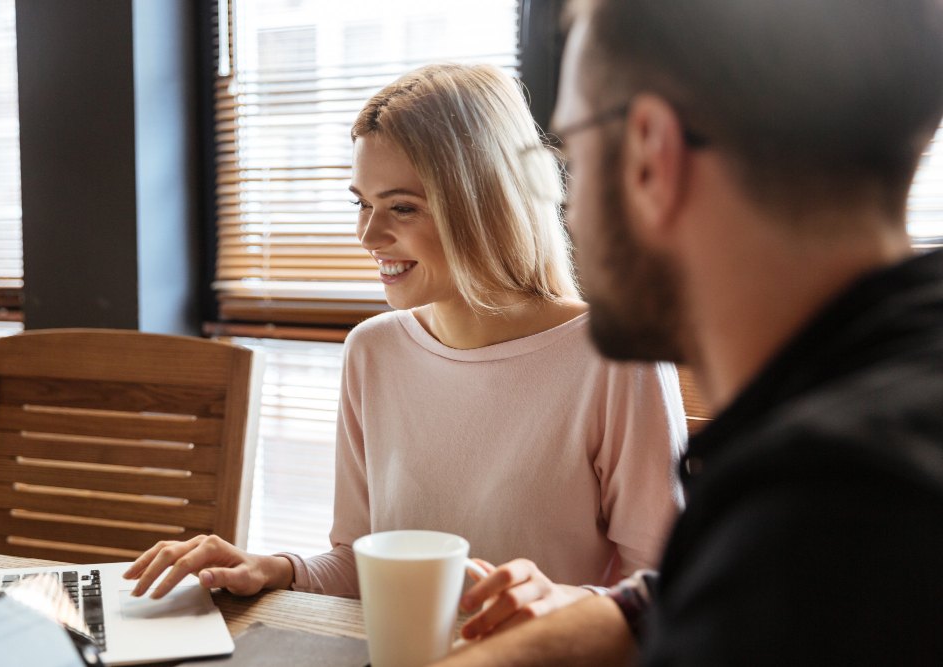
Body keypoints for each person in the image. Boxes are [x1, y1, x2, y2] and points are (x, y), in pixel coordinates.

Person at [432, 0, 943, 665]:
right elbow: (661, 599)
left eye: (571, 159)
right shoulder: (887, 388)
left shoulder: (832, 514)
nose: (567, 209)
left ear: (650, 155)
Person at [124, 63, 687, 635]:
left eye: (402, 207)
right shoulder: (373, 350)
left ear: (485, 202)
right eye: (360, 203)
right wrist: (272, 567)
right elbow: (357, 562)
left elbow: (668, 595)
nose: (368, 237)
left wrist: (557, 603)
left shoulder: (617, 357)